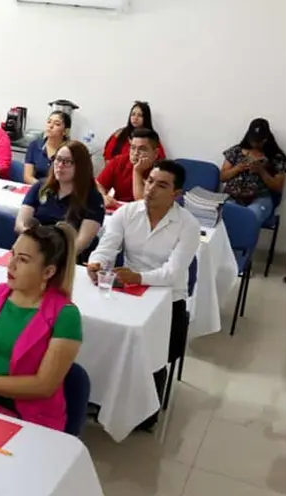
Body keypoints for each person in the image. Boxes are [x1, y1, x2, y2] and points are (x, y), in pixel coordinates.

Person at [87, 160, 199, 430]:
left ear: (176, 194)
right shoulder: (127, 213)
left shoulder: (188, 225)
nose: (151, 189)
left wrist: (139, 277)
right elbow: (107, 247)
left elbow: (172, 273)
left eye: (162, 185)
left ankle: (144, 410)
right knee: (103, 333)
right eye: (149, 181)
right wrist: (96, 263)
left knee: (152, 352)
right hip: (128, 289)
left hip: (167, 297)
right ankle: (99, 395)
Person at [0, 223, 82, 432]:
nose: (11, 265)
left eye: (23, 260)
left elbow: (44, 385)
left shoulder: (65, 315)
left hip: (30, 420)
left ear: (48, 271)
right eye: (13, 254)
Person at [16, 141, 104, 256]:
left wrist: (51, 256)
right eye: (57, 159)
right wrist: (33, 245)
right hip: (35, 251)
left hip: (67, 258)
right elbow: (20, 224)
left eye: (67, 162)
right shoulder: (40, 187)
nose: (60, 165)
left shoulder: (93, 199)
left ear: (81, 166)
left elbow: (81, 244)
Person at [220, 118, 286, 224]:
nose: (255, 144)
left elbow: (278, 187)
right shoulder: (236, 151)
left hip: (260, 198)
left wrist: (261, 171)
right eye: (253, 141)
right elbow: (223, 177)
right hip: (233, 197)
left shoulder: (276, 157)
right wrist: (237, 168)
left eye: (259, 141)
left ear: (266, 139)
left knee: (249, 218)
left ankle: (241, 239)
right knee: (226, 217)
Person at [96, 128, 161, 207]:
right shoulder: (118, 161)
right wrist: (102, 196)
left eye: (142, 149)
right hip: (119, 211)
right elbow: (99, 185)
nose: (136, 153)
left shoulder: (162, 171)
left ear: (155, 153)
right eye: (133, 148)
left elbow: (143, 204)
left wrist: (137, 171)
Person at [24, 111, 70, 184]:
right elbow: (27, 177)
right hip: (37, 187)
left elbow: (69, 181)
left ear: (65, 131)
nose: (51, 126)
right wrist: (43, 188)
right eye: (49, 122)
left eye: (57, 124)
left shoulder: (69, 151)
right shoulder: (35, 145)